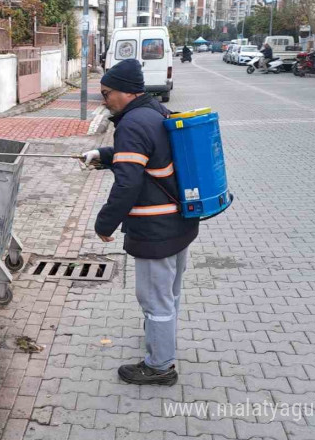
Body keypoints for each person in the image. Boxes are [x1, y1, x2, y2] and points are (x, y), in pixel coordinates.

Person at [81, 59, 199, 386]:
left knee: (154, 298)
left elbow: (128, 183)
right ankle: (161, 341)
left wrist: (104, 224)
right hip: (179, 223)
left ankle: (160, 366)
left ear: (126, 92)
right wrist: (103, 156)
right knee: (169, 293)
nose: (104, 100)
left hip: (154, 229)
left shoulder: (131, 124)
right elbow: (147, 157)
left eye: (107, 94)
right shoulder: (156, 112)